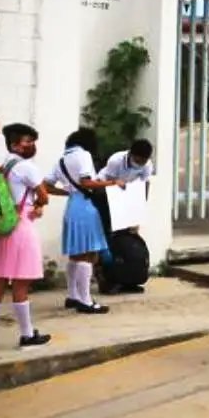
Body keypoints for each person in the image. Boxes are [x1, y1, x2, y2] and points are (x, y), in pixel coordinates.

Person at [0, 123, 51, 350]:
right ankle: (27, 334)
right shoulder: (27, 167)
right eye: (27, 141)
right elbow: (44, 196)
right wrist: (38, 205)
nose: (31, 145)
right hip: (21, 228)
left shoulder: (4, 166)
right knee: (21, 284)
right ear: (15, 144)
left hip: (2, 228)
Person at [45, 129, 122, 315]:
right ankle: (85, 299)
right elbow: (86, 182)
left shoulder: (61, 160)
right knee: (89, 254)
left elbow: (46, 185)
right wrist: (113, 184)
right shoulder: (84, 155)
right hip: (86, 207)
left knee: (76, 254)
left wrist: (68, 192)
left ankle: (73, 295)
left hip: (72, 206)